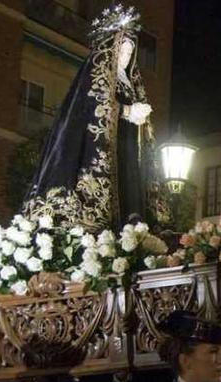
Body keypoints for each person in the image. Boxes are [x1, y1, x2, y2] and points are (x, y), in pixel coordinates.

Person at [21, 4, 169, 231]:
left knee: (130, 188)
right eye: (122, 51)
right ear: (110, 50)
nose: (126, 58)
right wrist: (128, 112)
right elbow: (89, 106)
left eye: (131, 53)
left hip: (129, 146)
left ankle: (133, 223)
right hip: (103, 145)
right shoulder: (96, 75)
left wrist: (142, 117)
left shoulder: (131, 82)